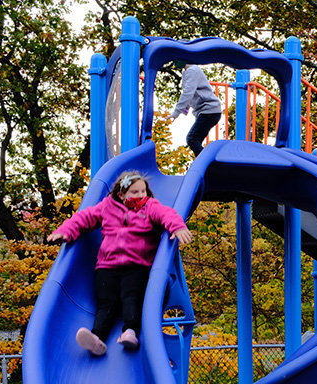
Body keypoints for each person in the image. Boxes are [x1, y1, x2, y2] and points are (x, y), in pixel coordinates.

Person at [47, 171, 193, 355]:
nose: (140, 195)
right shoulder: (107, 207)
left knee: (131, 295)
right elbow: (84, 218)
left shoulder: (150, 207)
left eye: (143, 191)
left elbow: (167, 215)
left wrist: (177, 226)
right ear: (121, 194)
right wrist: (65, 231)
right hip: (107, 265)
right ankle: (97, 339)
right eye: (134, 192)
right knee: (105, 302)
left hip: (137, 264)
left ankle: (130, 331)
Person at [169, 61, 223, 157]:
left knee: (192, 138)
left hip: (209, 110)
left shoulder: (193, 70)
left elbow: (187, 93)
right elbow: (190, 94)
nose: (173, 62)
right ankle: (205, 165)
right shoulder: (186, 72)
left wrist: (176, 112)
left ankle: (208, 165)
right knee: (195, 140)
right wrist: (184, 110)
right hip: (205, 111)